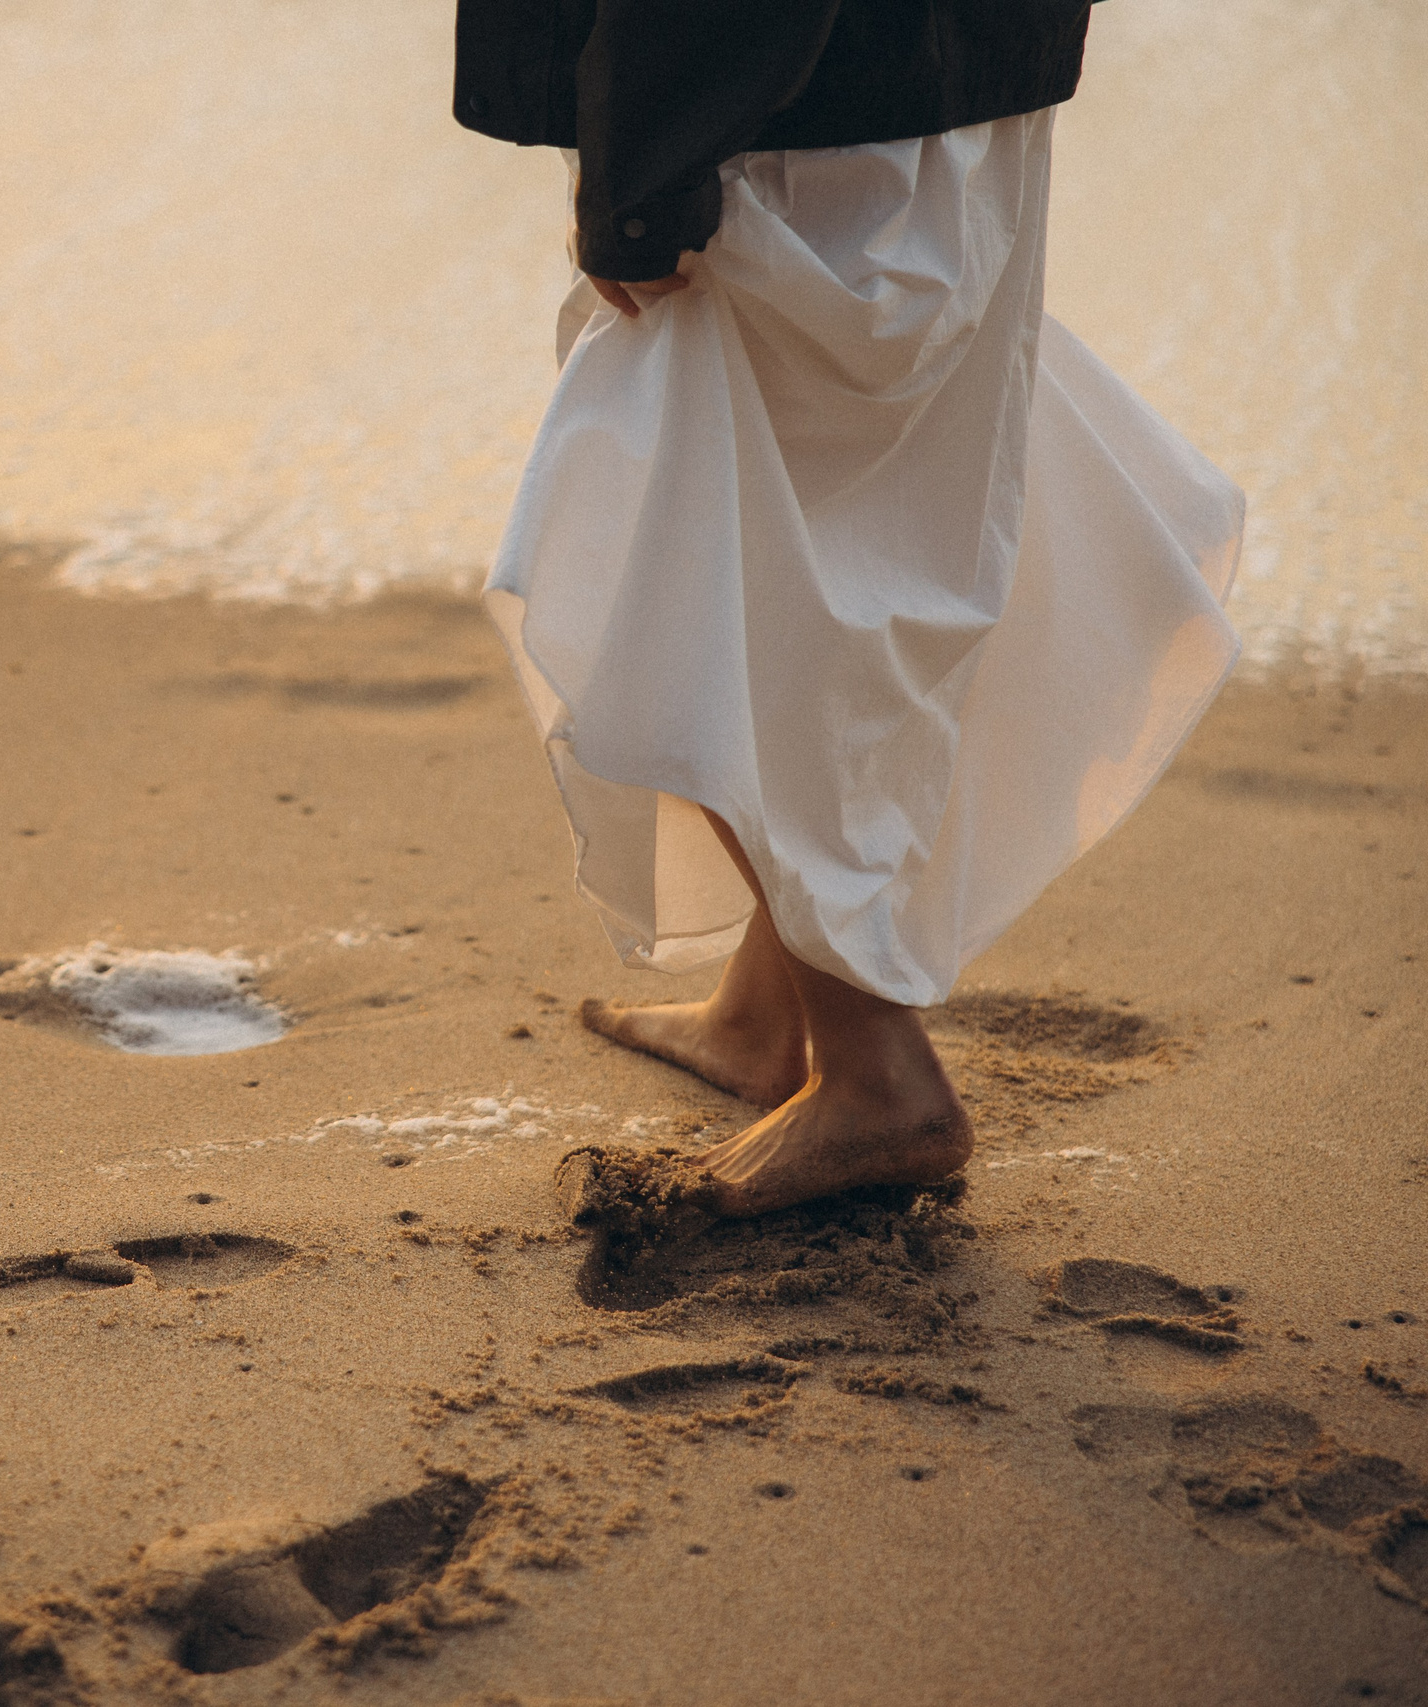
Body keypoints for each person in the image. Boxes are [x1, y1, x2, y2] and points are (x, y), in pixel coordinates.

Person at [453, 0, 1243, 1215]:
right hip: (914, 68)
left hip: (784, 104)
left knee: (697, 592)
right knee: (824, 551)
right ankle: (768, 1016)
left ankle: (875, 1076)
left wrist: (642, 175)